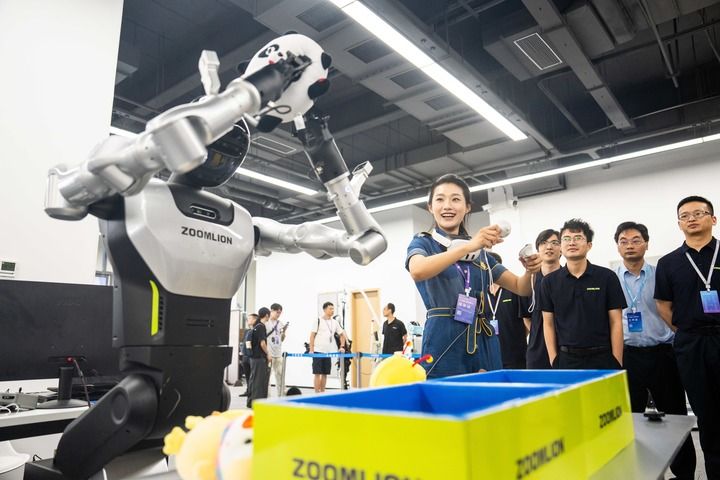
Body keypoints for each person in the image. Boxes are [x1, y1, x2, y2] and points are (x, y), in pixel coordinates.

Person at [406, 174, 541, 378]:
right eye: (440, 199)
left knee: (488, 393)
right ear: (430, 207)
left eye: (455, 199)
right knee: (446, 394)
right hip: (443, 337)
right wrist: (468, 246)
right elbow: (418, 270)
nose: (447, 206)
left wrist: (530, 270)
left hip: (483, 336)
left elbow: (520, 287)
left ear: (467, 207)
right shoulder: (424, 243)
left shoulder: (481, 253)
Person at [613, 221, 696, 479]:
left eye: (636, 240)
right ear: (617, 247)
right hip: (628, 356)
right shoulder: (610, 279)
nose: (630, 245)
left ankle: (684, 474)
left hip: (663, 354)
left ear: (646, 244)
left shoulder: (662, 273)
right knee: (632, 421)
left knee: (675, 417)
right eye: (624, 241)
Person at [655, 195, 720, 479]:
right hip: (692, 345)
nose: (691, 219)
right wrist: (687, 332)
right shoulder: (669, 263)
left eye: (698, 213)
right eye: (685, 215)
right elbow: (663, 306)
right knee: (707, 415)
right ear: (679, 223)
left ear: (713, 219)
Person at [541, 218, 625, 369]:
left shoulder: (607, 277)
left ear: (589, 245)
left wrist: (617, 361)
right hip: (566, 359)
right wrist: (554, 360)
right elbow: (548, 323)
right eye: (566, 239)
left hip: (603, 357)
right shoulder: (549, 282)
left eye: (578, 238)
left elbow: (616, 321)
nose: (572, 243)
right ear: (561, 246)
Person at [520, 229, 561, 369]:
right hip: (537, 352)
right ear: (538, 249)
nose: (549, 247)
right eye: (544, 243)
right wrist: (540, 333)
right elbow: (526, 316)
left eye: (555, 243)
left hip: (566, 350)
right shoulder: (529, 281)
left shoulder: (568, 279)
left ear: (561, 249)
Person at [485, 251, 527, 369]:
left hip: (515, 355)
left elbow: (527, 320)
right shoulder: (479, 293)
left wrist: (517, 339)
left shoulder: (515, 289)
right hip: (488, 357)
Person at [309, 302, 347, 393]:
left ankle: (322, 392)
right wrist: (311, 349)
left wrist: (342, 346)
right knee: (317, 373)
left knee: (325, 373)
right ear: (325, 310)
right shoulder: (318, 320)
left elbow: (342, 335)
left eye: (333, 309)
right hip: (317, 351)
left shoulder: (335, 322)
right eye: (330, 308)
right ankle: (316, 393)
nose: (332, 310)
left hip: (328, 352)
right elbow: (312, 336)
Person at [247, 308, 271, 408]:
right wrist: (268, 354)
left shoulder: (255, 326)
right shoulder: (261, 326)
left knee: (253, 380)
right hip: (259, 358)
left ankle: (251, 402)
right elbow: (262, 343)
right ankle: (257, 404)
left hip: (253, 358)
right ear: (267, 315)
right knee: (259, 382)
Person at [266, 303, 288, 396]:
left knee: (280, 376)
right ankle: (267, 396)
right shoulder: (266, 323)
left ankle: (281, 395)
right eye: (277, 312)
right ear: (271, 310)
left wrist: (283, 332)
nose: (278, 314)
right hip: (269, 353)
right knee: (267, 376)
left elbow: (281, 339)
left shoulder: (280, 323)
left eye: (280, 312)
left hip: (278, 353)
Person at [238, 313, 257, 397]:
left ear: (254, 319)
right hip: (245, 356)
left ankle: (252, 391)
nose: (247, 320)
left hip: (252, 356)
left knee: (253, 375)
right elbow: (244, 342)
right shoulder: (246, 331)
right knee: (247, 374)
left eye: (249, 318)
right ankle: (248, 390)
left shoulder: (257, 330)